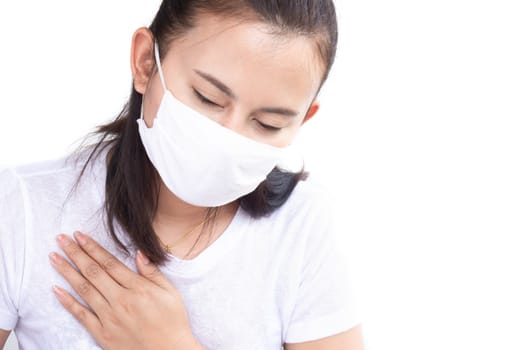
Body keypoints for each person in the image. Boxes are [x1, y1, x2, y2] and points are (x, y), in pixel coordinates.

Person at [0, 0, 363, 349]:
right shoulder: (25, 209)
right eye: (207, 98)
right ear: (145, 63)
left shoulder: (302, 229)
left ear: (302, 120)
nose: (229, 138)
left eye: (268, 124)